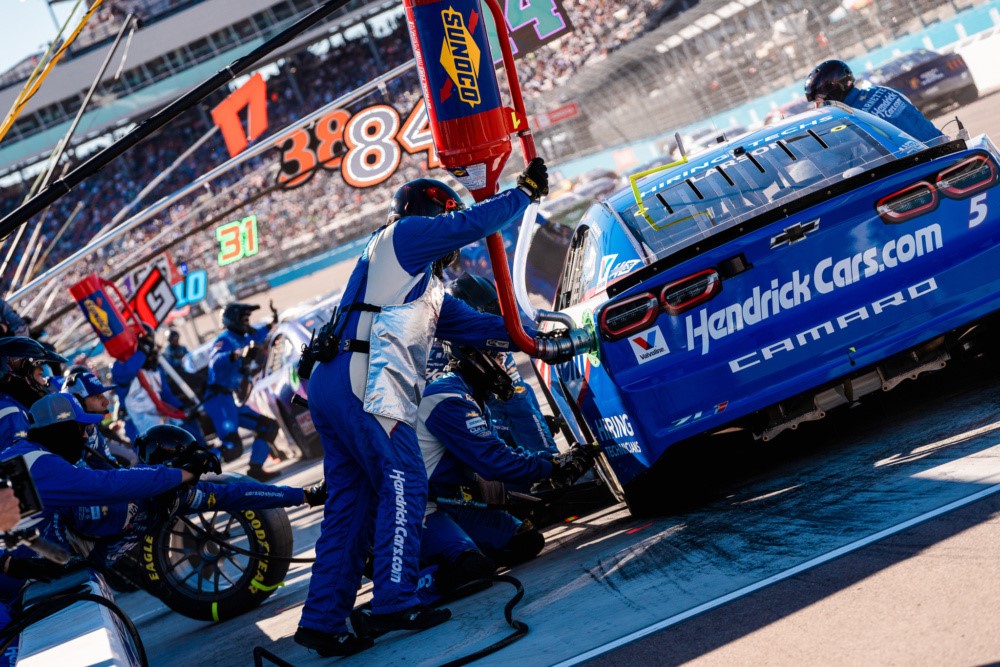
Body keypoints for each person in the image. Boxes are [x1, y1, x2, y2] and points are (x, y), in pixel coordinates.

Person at [295, 159, 557, 657]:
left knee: (349, 509)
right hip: (364, 381)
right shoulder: (402, 235)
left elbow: (486, 328)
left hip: (339, 381)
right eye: (446, 219)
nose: (451, 238)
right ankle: (395, 602)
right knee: (404, 483)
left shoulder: (424, 290)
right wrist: (522, 193)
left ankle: (321, 622)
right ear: (428, 213)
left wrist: (541, 335)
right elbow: (473, 223)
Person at [0, 400, 326, 574]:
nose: (86, 438)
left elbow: (235, 492)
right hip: (27, 573)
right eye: (80, 429)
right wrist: (179, 476)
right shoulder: (42, 465)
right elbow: (110, 485)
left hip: (39, 564)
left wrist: (304, 495)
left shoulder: (31, 455)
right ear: (61, 428)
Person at [415, 344, 594, 602]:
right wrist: (552, 467)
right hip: (419, 508)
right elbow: (493, 462)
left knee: (525, 541)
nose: (503, 364)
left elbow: (498, 450)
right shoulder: (447, 398)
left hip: (451, 500)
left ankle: (460, 551)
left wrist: (552, 460)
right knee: (475, 571)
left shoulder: (472, 396)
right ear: (474, 358)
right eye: (498, 358)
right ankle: (404, 588)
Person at [447, 273, 557, 454]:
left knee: (521, 394)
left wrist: (550, 458)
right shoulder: (439, 362)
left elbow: (521, 408)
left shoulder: (499, 347)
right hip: (469, 422)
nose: (492, 330)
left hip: (494, 412)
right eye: (485, 322)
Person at [203, 302, 281, 482]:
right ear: (233, 320)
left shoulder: (243, 337)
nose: (247, 322)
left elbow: (259, 335)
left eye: (248, 318)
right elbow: (215, 362)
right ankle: (194, 469)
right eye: (244, 318)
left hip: (228, 399)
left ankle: (255, 470)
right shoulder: (225, 340)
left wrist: (271, 323)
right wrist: (236, 355)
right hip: (217, 399)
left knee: (268, 426)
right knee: (232, 447)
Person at [804, 59, 944, 143]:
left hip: (921, 167)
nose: (817, 107)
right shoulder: (884, 90)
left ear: (833, 92)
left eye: (818, 101)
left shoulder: (850, 117)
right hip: (945, 145)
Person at [60, 367, 139, 467]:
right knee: (133, 458)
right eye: (97, 396)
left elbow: (110, 465)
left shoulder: (91, 426)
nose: (107, 402)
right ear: (78, 402)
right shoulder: (70, 439)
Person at [0, 337, 66, 452]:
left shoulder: (14, 406)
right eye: (39, 374)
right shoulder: (11, 412)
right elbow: (27, 464)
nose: (43, 382)